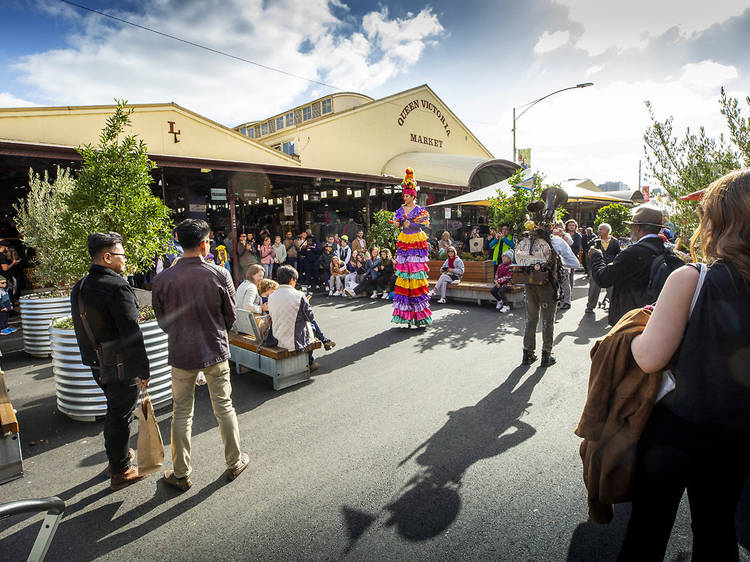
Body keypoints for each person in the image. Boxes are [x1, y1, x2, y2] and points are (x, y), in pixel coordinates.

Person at [618, 169, 750, 560]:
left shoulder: (692, 278)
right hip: (739, 436)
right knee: (716, 529)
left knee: (648, 529)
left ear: (719, 220)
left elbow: (649, 357)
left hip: (678, 430)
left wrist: (636, 331)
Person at [152, 219, 249, 491]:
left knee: (181, 412)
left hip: (181, 351)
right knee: (224, 407)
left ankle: (180, 473)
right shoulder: (219, 274)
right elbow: (231, 315)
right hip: (215, 348)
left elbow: (162, 321)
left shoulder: (162, 279)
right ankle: (234, 461)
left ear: (178, 242)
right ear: (205, 243)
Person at [70, 232, 150, 491]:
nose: (125, 260)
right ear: (107, 257)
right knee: (120, 415)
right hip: (119, 364)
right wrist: (143, 369)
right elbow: (131, 332)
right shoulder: (117, 286)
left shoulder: (80, 285)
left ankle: (119, 457)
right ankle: (120, 469)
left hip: (96, 362)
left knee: (115, 411)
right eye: (122, 254)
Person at [589, 207, 666, 325]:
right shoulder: (665, 251)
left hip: (631, 319)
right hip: (654, 317)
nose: (630, 230)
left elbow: (603, 278)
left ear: (638, 227)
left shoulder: (633, 253)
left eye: (631, 227)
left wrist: (596, 256)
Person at [392, 168, 432, 327]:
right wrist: (399, 223)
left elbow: (425, 222)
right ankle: (406, 317)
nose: (405, 197)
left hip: (415, 242)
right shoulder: (401, 209)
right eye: (404, 195)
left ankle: (419, 316)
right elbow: (396, 220)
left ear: (413, 195)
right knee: (404, 279)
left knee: (416, 277)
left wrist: (412, 224)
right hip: (404, 243)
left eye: (407, 195)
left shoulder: (420, 209)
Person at [515, 223, 557, 367]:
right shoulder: (552, 242)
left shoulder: (524, 242)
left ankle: (528, 353)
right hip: (546, 284)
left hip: (530, 281)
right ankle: (546, 354)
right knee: (547, 320)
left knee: (531, 319)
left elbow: (520, 258)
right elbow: (569, 260)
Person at [268, 265, 321, 371]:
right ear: (292, 280)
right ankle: (310, 362)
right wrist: (307, 303)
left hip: (276, 337)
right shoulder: (299, 295)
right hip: (294, 341)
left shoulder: (271, 296)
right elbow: (310, 317)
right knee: (311, 328)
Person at [585, 224, 620, 313]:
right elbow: (589, 250)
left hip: (610, 267)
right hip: (596, 267)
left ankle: (613, 306)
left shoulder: (615, 241)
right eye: (599, 229)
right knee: (593, 286)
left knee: (611, 288)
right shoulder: (595, 241)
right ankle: (590, 305)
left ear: (607, 231)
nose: (599, 231)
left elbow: (618, 253)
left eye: (601, 229)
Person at [551, 226, 582, 310]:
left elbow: (570, 242)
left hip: (563, 263)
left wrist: (562, 234)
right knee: (554, 283)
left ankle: (567, 301)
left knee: (565, 283)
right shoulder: (549, 237)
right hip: (552, 264)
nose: (555, 229)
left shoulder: (565, 235)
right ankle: (556, 300)